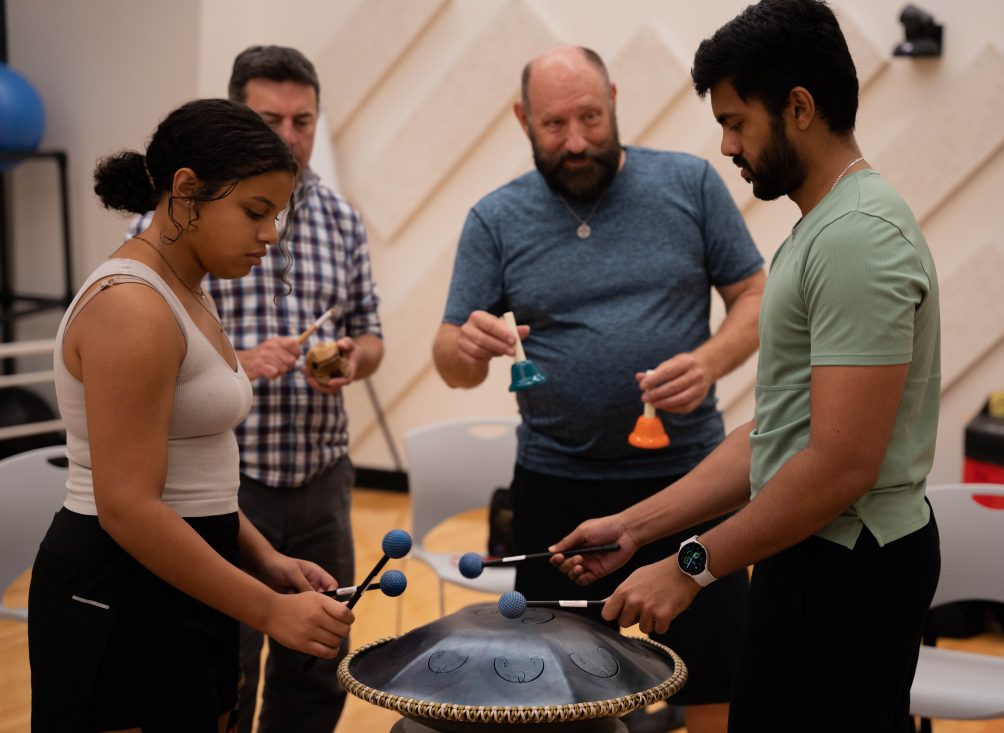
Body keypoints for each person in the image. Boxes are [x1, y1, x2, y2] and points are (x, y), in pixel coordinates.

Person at [552, 2, 942, 731]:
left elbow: (839, 464)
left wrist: (691, 566)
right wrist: (637, 528)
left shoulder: (859, 237)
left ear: (799, 107)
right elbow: (780, 436)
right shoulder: (821, 226)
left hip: (851, 568)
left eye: (736, 121)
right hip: (812, 553)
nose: (726, 145)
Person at [433, 45, 766, 733]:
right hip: (557, 487)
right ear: (523, 119)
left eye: (590, 116)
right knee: (554, 692)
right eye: (554, 125)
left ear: (615, 99)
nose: (577, 140)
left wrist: (708, 361)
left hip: (690, 480)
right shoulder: (495, 219)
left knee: (716, 678)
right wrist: (465, 350)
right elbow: (450, 360)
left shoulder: (692, 184)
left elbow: (755, 296)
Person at [27, 98, 355, 733]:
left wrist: (265, 559)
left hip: (187, 566)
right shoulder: (131, 306)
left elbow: (192, 478)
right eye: (255, 212)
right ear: (185, 191)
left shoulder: (187, 289)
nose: (271, 234)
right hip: (119, 581)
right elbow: (128, 506)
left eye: (278, 215)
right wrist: (268, 610)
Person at [128, 46, 383, 733]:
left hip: (321, 475)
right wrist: (245, 360)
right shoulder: (165, 231)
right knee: (222, 665)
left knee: (318, 662)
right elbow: (145, 358)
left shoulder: (340, 217)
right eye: (271, 119)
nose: (290, 136)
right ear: (235, 116)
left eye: (303, 119)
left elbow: (373, 333)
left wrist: (353, 356)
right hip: (221, 485)